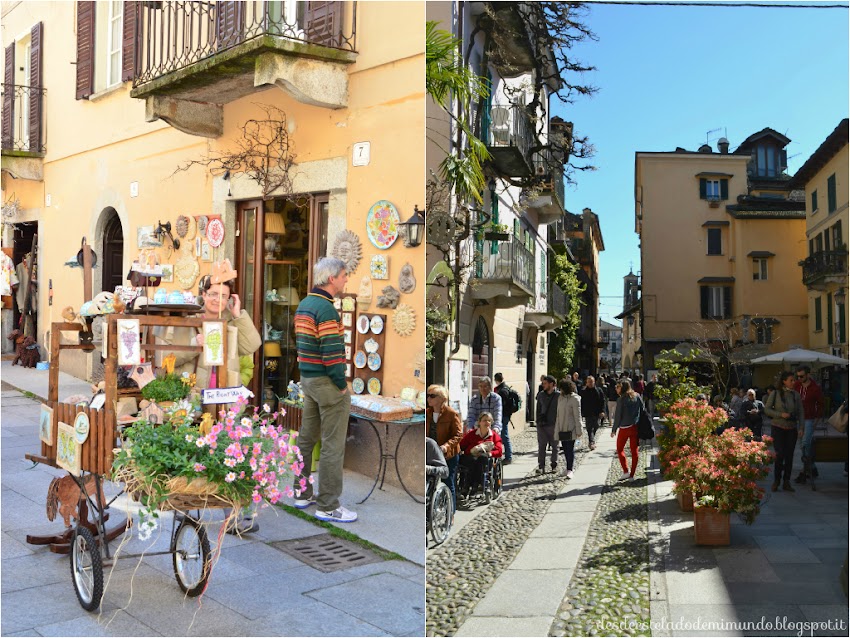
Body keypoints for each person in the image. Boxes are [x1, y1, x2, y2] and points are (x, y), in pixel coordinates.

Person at [161, 273, 262, 534]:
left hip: (226, 398)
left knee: (231, 453)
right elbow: (165, 360)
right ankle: (186, 506)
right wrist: (194, 344)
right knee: (193, 451)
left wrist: (239, 313)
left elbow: (253, 345)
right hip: (196, 397)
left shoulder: (233, 322)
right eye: (213, 294)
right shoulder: (188, 323)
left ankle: (237, 517)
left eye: (225, 296)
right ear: (204, 295)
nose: (218, 300)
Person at [291, 257, 357, 523]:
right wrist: (341, 384)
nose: (345, 279)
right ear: (332, 278)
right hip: (328, 384)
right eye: (343, 275)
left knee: (307, 437)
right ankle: (328, 505)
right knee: (332, 444)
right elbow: (331, 352)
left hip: (308, 379)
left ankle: (301, 492)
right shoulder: (327, 309)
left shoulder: (305, 304)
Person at [764, 371, 805, 493]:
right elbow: (766, 410)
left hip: (791, 429)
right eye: (791, 380)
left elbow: (801, 412)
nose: (794, 382)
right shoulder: (776, 394)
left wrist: (801, 427)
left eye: (794, 380)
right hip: (778, 427)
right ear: (784, 381)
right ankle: (777, 480)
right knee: (779, 454)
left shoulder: (796, 395)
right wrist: (780, 414)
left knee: (789, 456)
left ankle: (786, 481)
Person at [426, 384, 463, 510]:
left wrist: (446, 446)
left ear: (442, 398)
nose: (428, 398)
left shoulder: (451, 414)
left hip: (449, 455)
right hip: (432, 453)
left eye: (432, 396)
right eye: (428, 395)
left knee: (448, 482)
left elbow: (458, 435)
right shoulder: (427, 413)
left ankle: (451, 512)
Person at [458, 412, 503, 498]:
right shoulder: (472, 434)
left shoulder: (494, 436)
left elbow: (499, 451)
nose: (487, 423)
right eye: (484, 420)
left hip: (485, 460)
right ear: (479, 422)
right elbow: (461, 446)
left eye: (489, 421)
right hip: (470, 458)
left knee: (482, 459)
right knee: (472, 461)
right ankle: (467, 486)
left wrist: (490, 453)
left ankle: (474, 486)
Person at [794, 365, 825, 484]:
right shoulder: (796, 385)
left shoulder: (815, 388)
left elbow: (821, 404)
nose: (799, 378)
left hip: (808, 419)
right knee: (801, 444)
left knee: (806, 443)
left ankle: (804, 470)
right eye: (798, 376)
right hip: (797, 419)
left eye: (802, 376)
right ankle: (812, 467)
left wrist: (816, 420)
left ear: (808, 375)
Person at [611, 379, 643, 481]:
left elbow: (617, 416)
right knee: (634, 451)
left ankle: (626, 471)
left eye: (618, 387)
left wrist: (614, 430)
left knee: (620, 449)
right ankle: (632, 475)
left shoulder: (621, 400)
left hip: (624, 428)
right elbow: (642, 409)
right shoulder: (637, 396)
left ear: (622, 388)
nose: (616, 389)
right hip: (635, 427)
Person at [555, 379, 583, 479]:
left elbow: (577, 415)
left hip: (571, 428)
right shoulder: (560, 398)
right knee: (565, 449)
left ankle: (570, 469)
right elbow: (558, 414)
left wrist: (579, 430)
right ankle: (568, 468)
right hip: (562, 427)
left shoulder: (575, 399)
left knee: (570, 449)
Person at [535, 375, 560, 474]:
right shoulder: (541, 395)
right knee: (542, 446)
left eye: (545, 383)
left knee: (555, 446)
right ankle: (541, 466)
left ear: (552, 384)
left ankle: (554, 465)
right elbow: (538, 409)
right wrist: (538, 421)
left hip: (554, 424)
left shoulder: (558, 395)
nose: (543, 385)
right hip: (542, 425)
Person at [580, 375, 606, 451]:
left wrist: (603, 411)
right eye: (589, 382)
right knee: (589, 428)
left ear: (594, 382)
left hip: (597, 412)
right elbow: (581, 403)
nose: (590, 383)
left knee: (596, 426)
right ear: (586, 383)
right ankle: (592, 442)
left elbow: (602, 401)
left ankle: (591, 440)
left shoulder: (599, 390)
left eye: (592, 382)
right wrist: (581, 412)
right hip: (587, 413)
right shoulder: (583, 391)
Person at [493, 372, 514, 464]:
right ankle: (505, 455)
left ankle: (508, 457)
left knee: (504, 436)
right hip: (506, 415)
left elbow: (501, 405)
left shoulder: (501, 391)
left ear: (496, 380)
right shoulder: (505, 388)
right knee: (502, 436)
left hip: (503, 416)